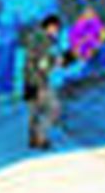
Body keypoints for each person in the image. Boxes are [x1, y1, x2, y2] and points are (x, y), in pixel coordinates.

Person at [23, 14, 76, 151]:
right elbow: (43, 62)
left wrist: (64, 59)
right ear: (50, 26)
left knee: (34, 111)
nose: (57, 31)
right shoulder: (43, 40)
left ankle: (34, 138)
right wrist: (63, 60)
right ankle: (40, 137)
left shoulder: (38, 38)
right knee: (53, 109)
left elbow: (44, 61)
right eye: (56, 28)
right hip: (38, 81)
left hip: (30, 81)